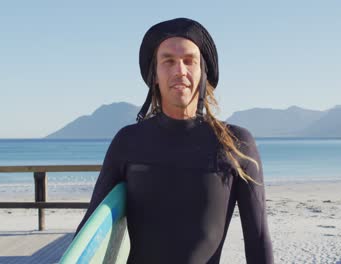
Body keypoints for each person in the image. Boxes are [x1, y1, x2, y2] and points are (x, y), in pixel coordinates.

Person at [75, 17, 273, 264]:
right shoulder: (128, 141)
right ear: (154, 74)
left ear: (203, 73)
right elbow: (90, 233)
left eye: (189, 61)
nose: (180, 71)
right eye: (168, 61)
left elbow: (258, 238)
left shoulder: (236, 143)